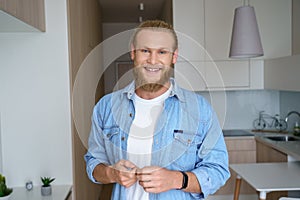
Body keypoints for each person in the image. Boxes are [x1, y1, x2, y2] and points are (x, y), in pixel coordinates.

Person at [84, 20, 230, 199]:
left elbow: (218, 171)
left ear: (174, 56)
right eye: (145, 51)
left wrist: (176, 180)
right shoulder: (106, 107)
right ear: (133, 52)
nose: (153, 60)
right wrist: (111, 173)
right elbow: (93, 163)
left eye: (162, 52)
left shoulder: (200, 109)